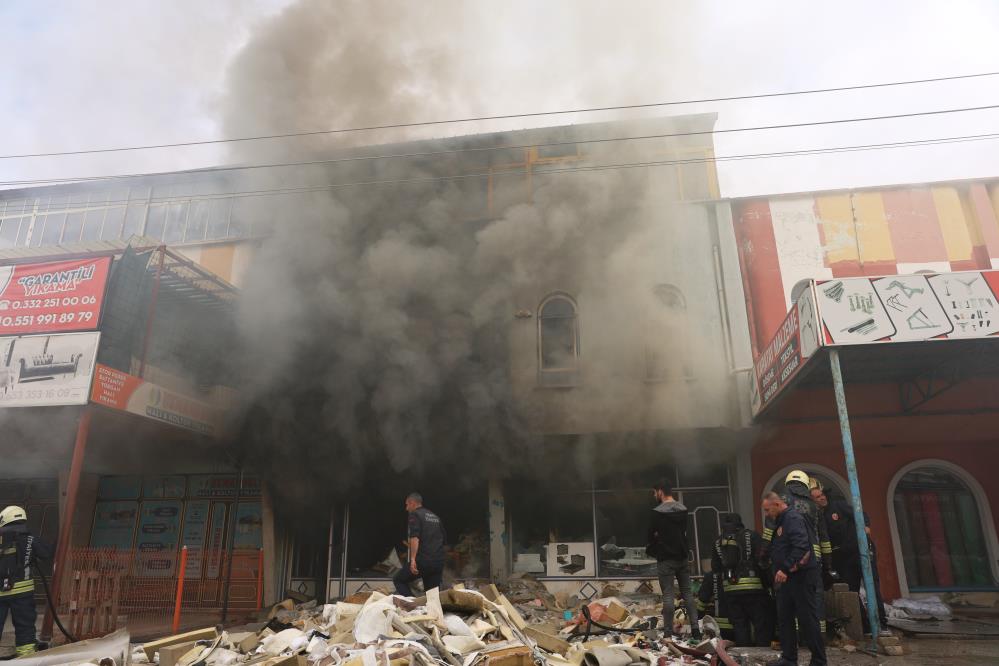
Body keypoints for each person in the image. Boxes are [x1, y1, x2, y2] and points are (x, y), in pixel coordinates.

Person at [811, 486, 888, 632]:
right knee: (851, 591)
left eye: (821, 495)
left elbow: (859, 514)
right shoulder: (818, 518)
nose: (822, 498)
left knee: (872, 586)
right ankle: (865, 626)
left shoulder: (838, 506)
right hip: (843, 557)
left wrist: (865, 525)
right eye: (817, 497)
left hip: (862, 550)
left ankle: (881, 625)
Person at [762, 492, 826, 666]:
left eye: (768, 510)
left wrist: (785, 568)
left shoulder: (793, 518)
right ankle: (789, 659)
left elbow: (802, 546)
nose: (767, 514)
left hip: (801, 577)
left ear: (777, 504)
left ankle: (819, 660)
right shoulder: (781, 521)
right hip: (786, 580)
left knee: (807, 619)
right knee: (785, 618)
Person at [647, 479, 700, 640]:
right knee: (688, 594)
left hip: (665, 559)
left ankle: (668, 632)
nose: (654, 495)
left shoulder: (657, 513)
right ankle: (696, 630)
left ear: (661, 492)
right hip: (682, 557)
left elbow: (651, 535)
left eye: (655, 492)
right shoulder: (683, 510)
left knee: (668, 596)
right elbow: (682, 532)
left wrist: (658, 538)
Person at [712, 513, 775, 647]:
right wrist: (768, 582)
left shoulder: (718, 542)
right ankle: (762, 652)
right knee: (760, 622)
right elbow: (762, 560)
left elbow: (715, 568)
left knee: (739, 623)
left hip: (730, 590)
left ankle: (744, 652)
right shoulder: (752, 536)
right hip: (754, 589)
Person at [0, 506, 51, 657]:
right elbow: (46, 553)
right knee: (24, 625)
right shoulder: (30, 538)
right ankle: (26, 655)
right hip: (23, 594)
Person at [393, 493, 447, 596]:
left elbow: (415, 537)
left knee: (399, 580)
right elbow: (443, 540)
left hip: (424, 561)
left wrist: (413, 559)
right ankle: (431, 610)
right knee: (432, 596)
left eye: (407, 505)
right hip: (438, 563)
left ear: (412, 503)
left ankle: (413, 605)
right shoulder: (435, 517)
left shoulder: (415, 515)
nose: (406, 508)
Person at [696, 570, 735, 641]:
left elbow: (702, 600)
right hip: (740, 627)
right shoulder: (736, 572)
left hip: (719, 628)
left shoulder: (711, 576)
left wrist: (697, 620)